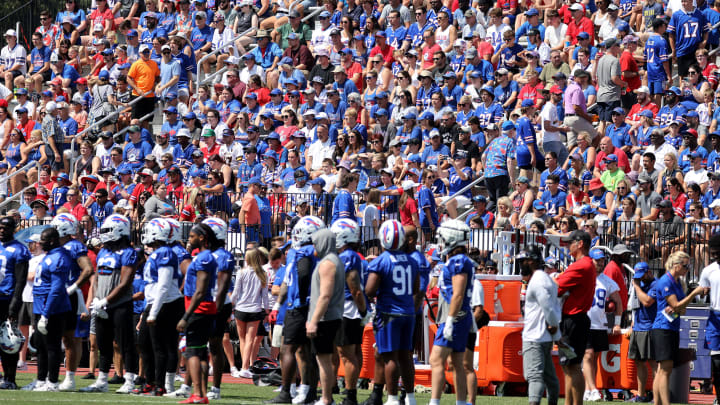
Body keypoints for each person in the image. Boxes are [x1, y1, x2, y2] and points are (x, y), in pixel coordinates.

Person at [266, 216, 324, 405]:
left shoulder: (304, 252)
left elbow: (304, 273)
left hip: (300, 306)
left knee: (289, 349)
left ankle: (287, 393)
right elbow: (287, 281)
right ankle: (308, 392)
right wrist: (277, 305)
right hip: (302, 304)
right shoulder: (299, 252)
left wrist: (299, 299)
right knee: (305, 351)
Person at [80, 214, 138, 394]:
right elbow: (97, 276)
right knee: (103, 344)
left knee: (125, 343)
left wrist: (106, 300)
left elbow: (125, 282)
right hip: (101, 305)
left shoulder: (129, 252)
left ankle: (129, 381)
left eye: (107, 230)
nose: (103, 234)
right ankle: (102, 380)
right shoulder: (104, 251)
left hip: (120, 305)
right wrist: (97, 298)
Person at [365, 220, 419, 405]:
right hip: (408, 312)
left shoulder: (381, 261)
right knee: (406, 356)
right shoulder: (412, 261)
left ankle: (393, 398)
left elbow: (370, 290)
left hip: (388, 313)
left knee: (389, 357)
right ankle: (411, 397)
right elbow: (416, 287)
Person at [137, 218, 183, 396]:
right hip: (154, 302)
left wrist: (153, 312)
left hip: (167, 303)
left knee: (161, 346)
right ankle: (150, 382)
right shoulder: (157, 253)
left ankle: (163, 385)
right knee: (144, 343)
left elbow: (164, 285)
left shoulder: (165, 252)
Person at [429, 220, 473, 405]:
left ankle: (434, 402)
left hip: (456, 317)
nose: (441, 241)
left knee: (436, 359)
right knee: (456, 363)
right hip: (460, 317)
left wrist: (449, 321)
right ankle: (461, 403)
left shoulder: (458, 261)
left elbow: (458, 294)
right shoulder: (459, 260)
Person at [651, 251, 702, 405]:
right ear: (676, 265)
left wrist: (679, 306)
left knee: (663, 369)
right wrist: (694, 294)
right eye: (685, 265)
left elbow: (682, 309)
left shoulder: (678, 282)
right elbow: (676, 305)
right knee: (665, 368)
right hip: (663, 328)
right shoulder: (666, 281)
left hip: (671, 327)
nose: (687, 269)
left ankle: (658, 403)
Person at [51, 213, 94, 392]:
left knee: (70, 338)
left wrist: (73, 287)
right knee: (59, 338)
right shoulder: (58, 247)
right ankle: (52, 378)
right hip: (58, 295)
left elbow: (88, 269)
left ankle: (69, 378)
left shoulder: (74, 246)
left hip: (70, 296)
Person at [177, 223, 218, 404]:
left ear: (201, 238)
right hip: (202, 309)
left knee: (192, 351)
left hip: (199, 310)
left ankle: (197, 393)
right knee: (200, 352)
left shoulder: (204, 258)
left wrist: (186, 317)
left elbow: (200, 291)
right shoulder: (202, 257)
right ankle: (201, 394)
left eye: (192, 236)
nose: (189, 239)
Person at [555, 230, 596, 405]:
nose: (568, 246)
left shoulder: (581, 265)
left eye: (571, 242)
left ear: (580, 244)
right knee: (569, 365)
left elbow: (555, 287)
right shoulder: (585, 264)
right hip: (574, 319)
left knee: (572, 365)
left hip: (574, 320)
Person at [330, 219, 367, 405]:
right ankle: (347, 390)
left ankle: (350, 394)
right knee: (348, 351)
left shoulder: (348, 257)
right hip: (348, 307)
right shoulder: (352, 256)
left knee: (347, 353)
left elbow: (354, 287)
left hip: (347, 308)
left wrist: (362, 308)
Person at [31, 227, 72, 392]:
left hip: (53, 309)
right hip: (40, 306)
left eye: (43, 239)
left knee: (52, 346)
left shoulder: (59, 258)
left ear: (53, 240)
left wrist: (46, 314)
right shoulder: (48, 257)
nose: (40, 243)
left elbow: (56, 289)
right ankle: (41, 380)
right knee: (40, 346)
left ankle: (53, 382)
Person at [518, 246, 560, 405]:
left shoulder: (537, 280)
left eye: (523, 261)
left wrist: (553, 324)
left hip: (535, 335)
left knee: (534, 376)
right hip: (544, 336)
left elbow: (548, 307)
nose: (521, 264)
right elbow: (556, 304)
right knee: (550, 379)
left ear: (531, 260)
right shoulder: (547, 279)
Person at [307, 228, 345, 405]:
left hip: (325, 318)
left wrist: (314, 321)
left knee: (323, 360)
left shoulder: (328, 264)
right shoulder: (333, 261)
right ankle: (326, 398)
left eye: (316, 242)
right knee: (324, 359)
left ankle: (326, 398)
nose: (314, 245)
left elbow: (325, 295)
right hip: (331, 316)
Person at [582, 248, 622, 402]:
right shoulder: (583, 276)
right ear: (590, 260)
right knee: (588, 355)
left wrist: (617, 323)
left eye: (602, 260)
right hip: (585, 323)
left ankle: (588, 389)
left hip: (600, 324)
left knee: (595, 358)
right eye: (597, 260)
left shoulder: (607, 281)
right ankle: (592, 389)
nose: (600, 263)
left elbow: (618, 302)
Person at [202, 218, 233, 400]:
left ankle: (216, 388)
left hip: (217, 305)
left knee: (214, 344)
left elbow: (222, 287)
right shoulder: (204, 253)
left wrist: (215, 308)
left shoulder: (223, 255)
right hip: (204, 303)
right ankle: (197, 386)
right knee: (199, 346)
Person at [0, 216, 30, 390]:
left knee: (7, 341)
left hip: (8, 298)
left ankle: (10, 378)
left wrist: (15, 303)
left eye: (6, 227)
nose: (2, 230)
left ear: (13, 229)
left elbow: (20, 280)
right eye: (0, 227)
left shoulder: (20, 250)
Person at [231, 248, 268, 379]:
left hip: (241, 309)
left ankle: (244, 367)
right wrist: (267, 310)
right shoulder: (263, 273)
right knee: (250, 340)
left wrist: (231, 304)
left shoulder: (241, 272)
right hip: (254, 309)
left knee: (243, 340)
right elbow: (264, 296)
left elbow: (236, 292)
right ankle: (245, 367)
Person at [627, 261, 657, 403]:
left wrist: (637, 286)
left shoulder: (655, 284)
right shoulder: (638, 285)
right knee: (639, 362)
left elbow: (647, 301)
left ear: (648, 272)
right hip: (638, 326)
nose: (639, 278)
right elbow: (633, 304)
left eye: (642, 275)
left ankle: (658, 397)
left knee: (653, 363)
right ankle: (641, 394)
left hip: (650, 328)